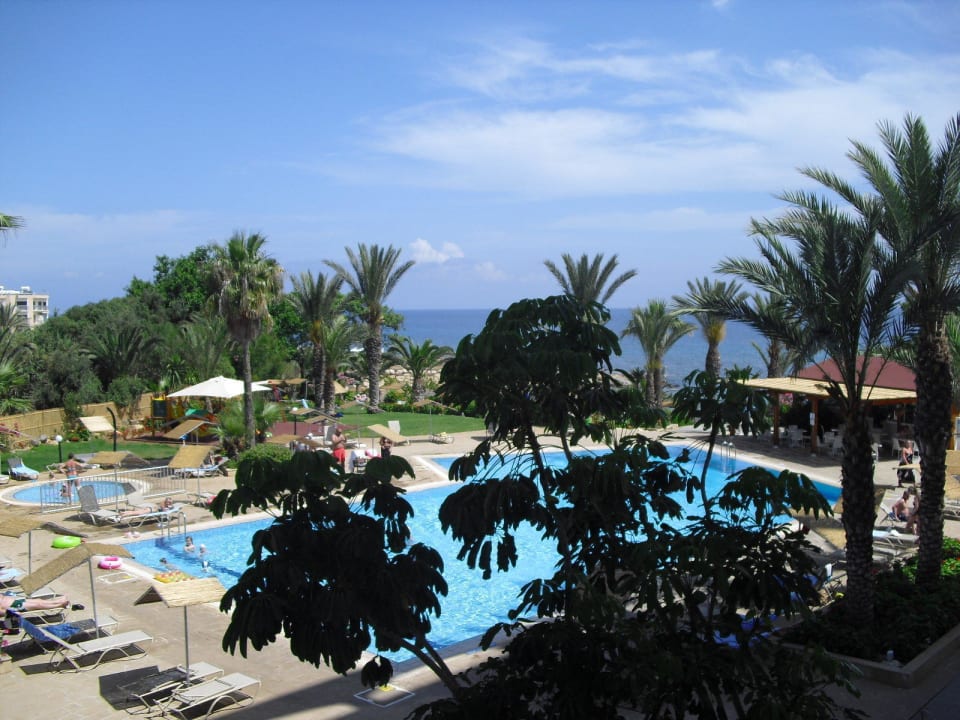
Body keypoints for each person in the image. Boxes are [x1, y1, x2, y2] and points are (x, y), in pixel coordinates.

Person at [0, 593, 74, 613]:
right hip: (16, 606)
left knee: (38, 600)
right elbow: (3, 612)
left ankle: (57, 601)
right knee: (38, 605)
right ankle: (60, 605)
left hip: (16, 601)